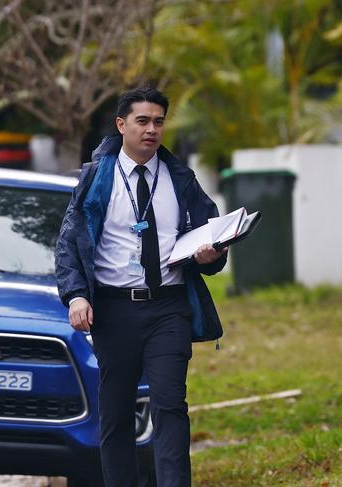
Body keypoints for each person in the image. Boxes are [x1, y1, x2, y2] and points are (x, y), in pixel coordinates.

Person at [55, 87, 227, 487]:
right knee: (114, 412)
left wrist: (212, 255)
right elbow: (69, 242)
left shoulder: (181, 179)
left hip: (168, 308)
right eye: (142, 121)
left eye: (159, 121)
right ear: (122, 125)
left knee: (170, 405)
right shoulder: (98, 177)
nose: (152, 130)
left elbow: (214, 236)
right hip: (114, 311)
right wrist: (77, 294)